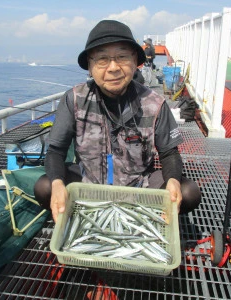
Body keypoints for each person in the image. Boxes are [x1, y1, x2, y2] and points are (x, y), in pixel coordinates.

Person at [34, 20, 201, 223]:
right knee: (45, 187)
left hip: (140, 187)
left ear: (134, 61)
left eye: (122, 57)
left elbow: (169, 153)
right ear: (90, 65)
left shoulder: (154, 103)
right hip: (88, 183)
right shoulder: (74, 99)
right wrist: (58, 184)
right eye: (102, 59)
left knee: (188, 192)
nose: (113, 68)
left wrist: (173, 181)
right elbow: (56, 151)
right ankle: (78, 212)